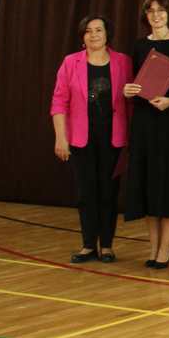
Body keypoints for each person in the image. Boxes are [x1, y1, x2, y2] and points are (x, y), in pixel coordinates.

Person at [51, 14, 133, 264]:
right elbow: (59, 102)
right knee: (86, 193)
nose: (94, 35)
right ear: (82, 36)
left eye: (99, 30)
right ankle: (88, 245)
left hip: (114, 139)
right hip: (80, 139)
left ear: (108, 35)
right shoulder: (70, 62)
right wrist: (61, 138)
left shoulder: (123, 62)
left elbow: (133, 101)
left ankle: (106, 246)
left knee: (109, 193)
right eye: (88, 31)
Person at [122, 0, 169, 268]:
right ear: (146, 16)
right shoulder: (140, 46)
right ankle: (153, 248)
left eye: (161, 10)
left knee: (167, 185)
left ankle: (166, 248)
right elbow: (133, 83)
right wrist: (128, 90)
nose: (156, 15)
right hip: (143, 123)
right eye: (151, 11)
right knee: (148, 185)